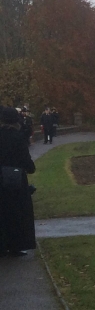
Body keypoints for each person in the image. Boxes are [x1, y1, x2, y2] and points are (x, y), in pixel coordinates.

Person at [0, 107, 36, 257]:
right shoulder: (17, 136)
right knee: (16, 213)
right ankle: (15, 245)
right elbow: (25, 160)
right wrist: (30, 168)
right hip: (15, 180)